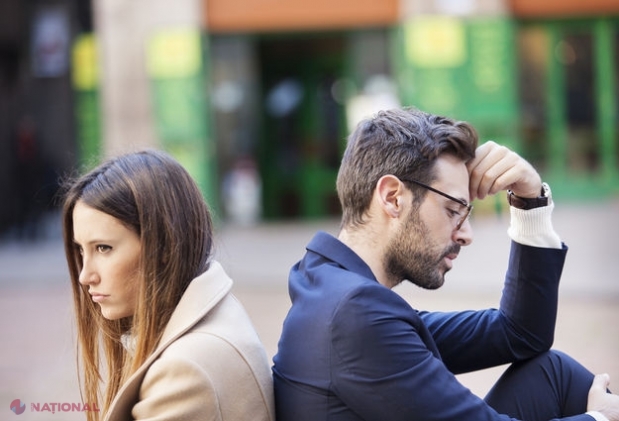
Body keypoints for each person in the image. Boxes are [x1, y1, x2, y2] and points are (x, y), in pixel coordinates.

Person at [272, 107, 619, 421]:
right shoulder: (354, 315)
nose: (466, 235)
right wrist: (599, 418)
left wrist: (530, 201)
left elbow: (521, 334)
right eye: (453, 210)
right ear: (393, 198)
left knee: (552, 373)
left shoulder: (334, 290)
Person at [61, 149, 275, 421]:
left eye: (104, 248)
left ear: (164, 246)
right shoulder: (212, 312)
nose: (85, 276)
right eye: (81, 250)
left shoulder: (184, 371)